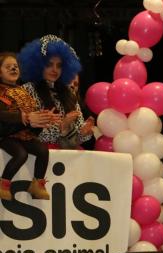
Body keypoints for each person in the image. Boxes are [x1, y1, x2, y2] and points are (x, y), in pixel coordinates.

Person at [17, 35, 94, 149]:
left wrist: (84, 132)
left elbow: (76, 139)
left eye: (59, 66)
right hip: (38, 154)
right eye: (49, 65)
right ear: (39, 65)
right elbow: (29, 133)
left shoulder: (68, 92)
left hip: (67, 153)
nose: (54, 70)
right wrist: (62, 127)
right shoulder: (27, 90)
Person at [0, 52, 56, 201]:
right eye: (8, 67)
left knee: (43, 151)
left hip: (24, 135)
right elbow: (2, 116)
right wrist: (24, 118)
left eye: (15, 66)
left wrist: (43, 119)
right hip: (5, 136)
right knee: (21, 154)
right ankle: (3, 184)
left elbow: (32, 118)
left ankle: (37, 184)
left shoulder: (23, 92)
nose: (13, 69)